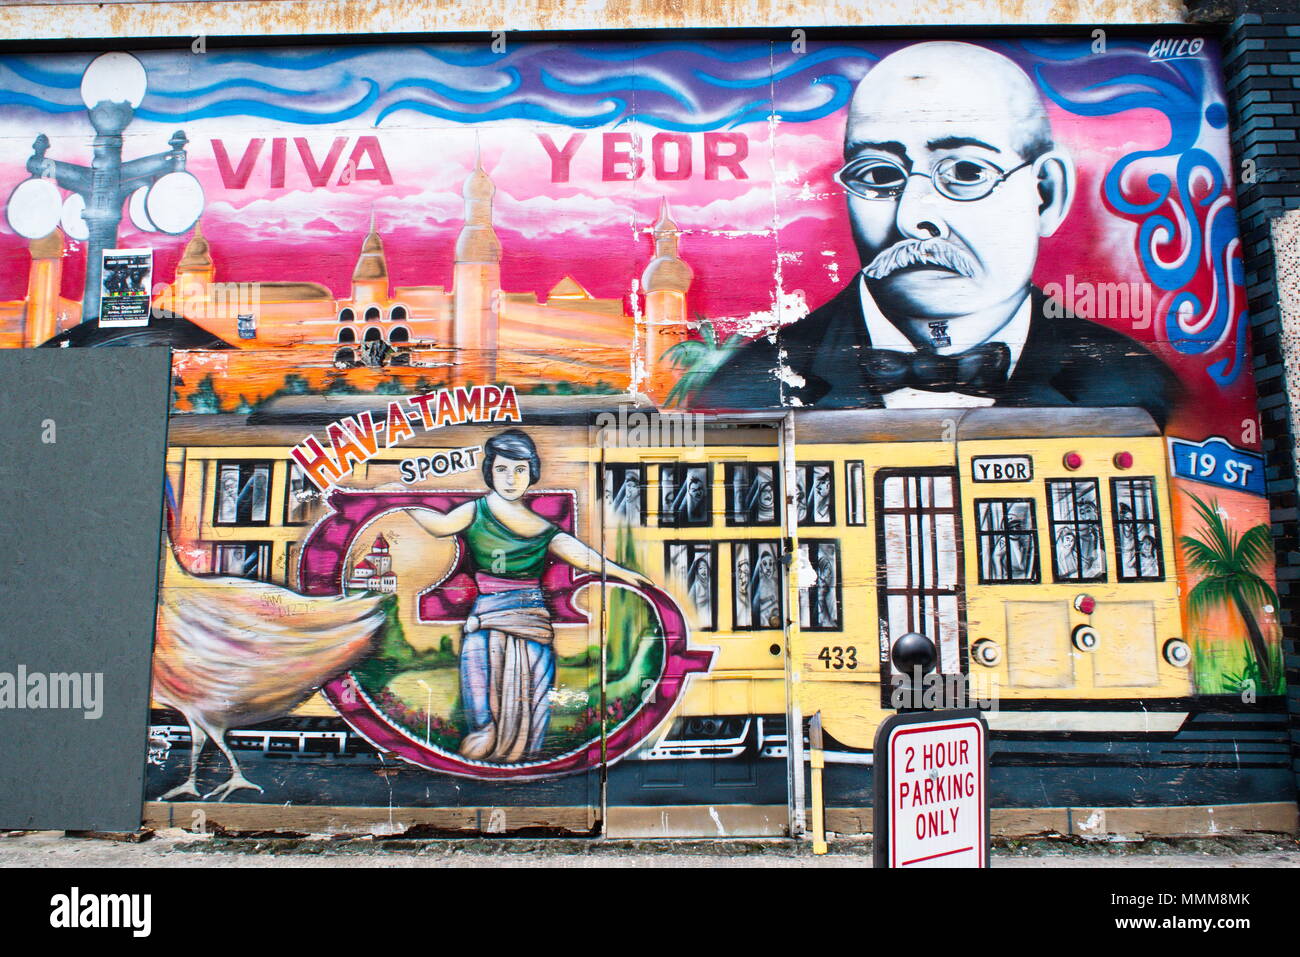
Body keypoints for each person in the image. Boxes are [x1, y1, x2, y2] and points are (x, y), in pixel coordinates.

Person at [694, 41, 1180, 426]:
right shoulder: (746, 388)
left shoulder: (1141, 388)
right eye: (879, 176)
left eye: (967, 172)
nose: (913, 219)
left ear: (1046, 194)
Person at [404, 429, 650, 764]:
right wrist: (398, 499)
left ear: (531, 473)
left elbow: (585, 558)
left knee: (532, 691)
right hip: (485, 616)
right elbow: (440, 525)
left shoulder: (543, 529)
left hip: (531, 619)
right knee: (476, 672)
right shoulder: (475, 511)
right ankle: (485, 733)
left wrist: (622, 574)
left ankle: (523, 753)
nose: (510, 478)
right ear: (490, 470)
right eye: (502, 469)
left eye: (519, 470)